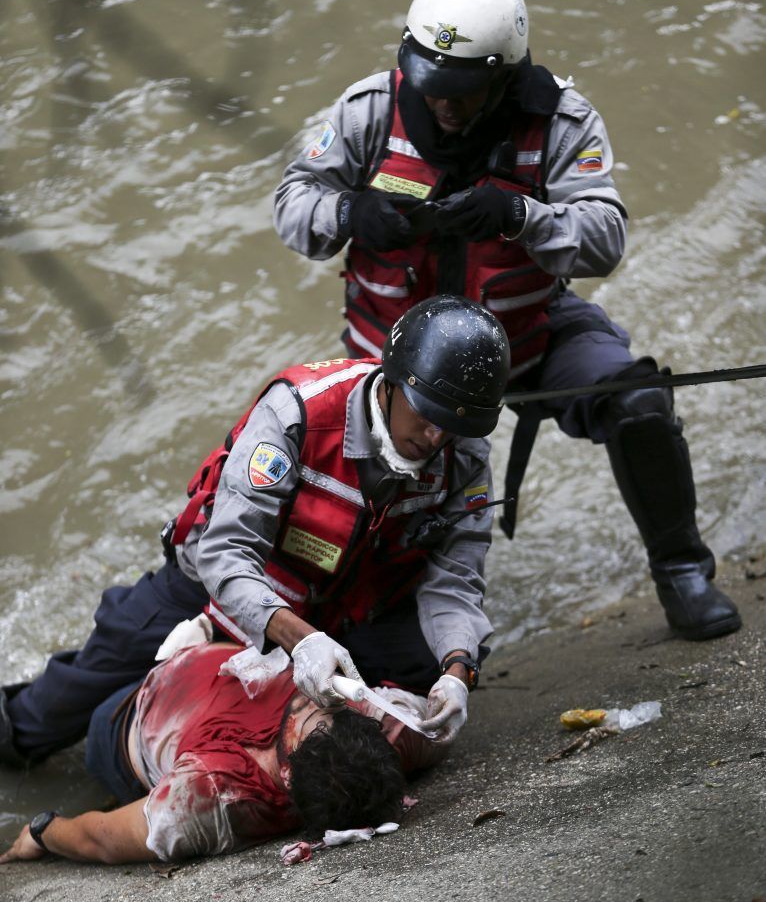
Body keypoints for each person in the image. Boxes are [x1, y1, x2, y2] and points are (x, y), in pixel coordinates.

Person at [273, 0, 741, 643]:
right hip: (396, 368)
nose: (446, 106)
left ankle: (682, 572)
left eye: (464, 92)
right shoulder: (368, 112)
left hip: (526, 337)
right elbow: (292, 203)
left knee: (637, 399)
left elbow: (605, 238)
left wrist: (520, 215)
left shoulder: (562, 122)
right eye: (434, 89)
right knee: (347, 499)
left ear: (506, 76)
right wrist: (349, 209)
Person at [1, 295, 510, 766]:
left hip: (343, 610)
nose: (434, 436)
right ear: (394, 381)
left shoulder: (462, 457)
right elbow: (226, 553)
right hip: (211, 591)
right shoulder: (298, 416)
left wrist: (458, 671)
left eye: (451, 425)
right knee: (50, 711)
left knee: (423, 675)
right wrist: (299, 640)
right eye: (426, 415)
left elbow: (455, 582)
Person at [0, 640, 443, 865]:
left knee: (36, 716)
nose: (317, 698)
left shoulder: (211, 797)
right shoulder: (383, 733)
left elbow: (101, 839)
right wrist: (457, 677)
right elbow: (435, 717)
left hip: (120, 726)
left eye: (310, 715)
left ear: (286, 771)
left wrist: (42, 833)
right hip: (195, 641)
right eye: (339, 710)